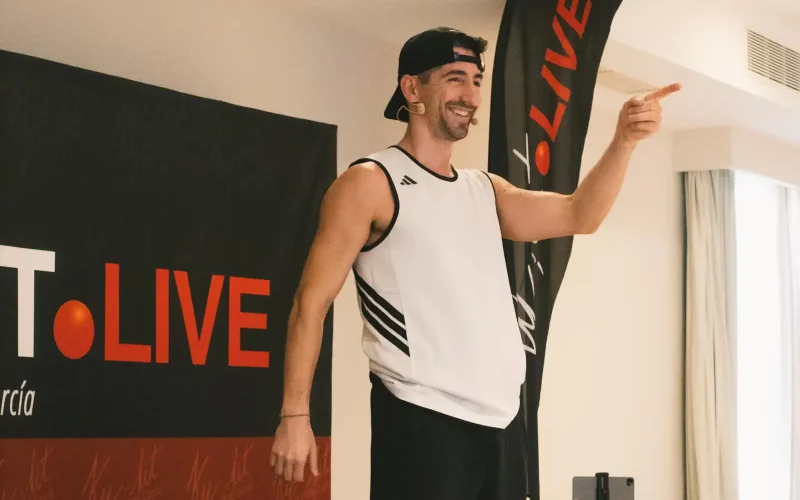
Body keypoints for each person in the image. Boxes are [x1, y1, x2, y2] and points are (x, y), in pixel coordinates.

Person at [270, 26, 680, 499]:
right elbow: (310, 302)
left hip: (502, 423)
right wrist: (295, 415)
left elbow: (579, 215)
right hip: (422, 417)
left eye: (477, 81)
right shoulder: (371, 182)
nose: (470, 94)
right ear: (412, 88)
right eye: (454, 78)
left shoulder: (485, 189)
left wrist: (624, 140)